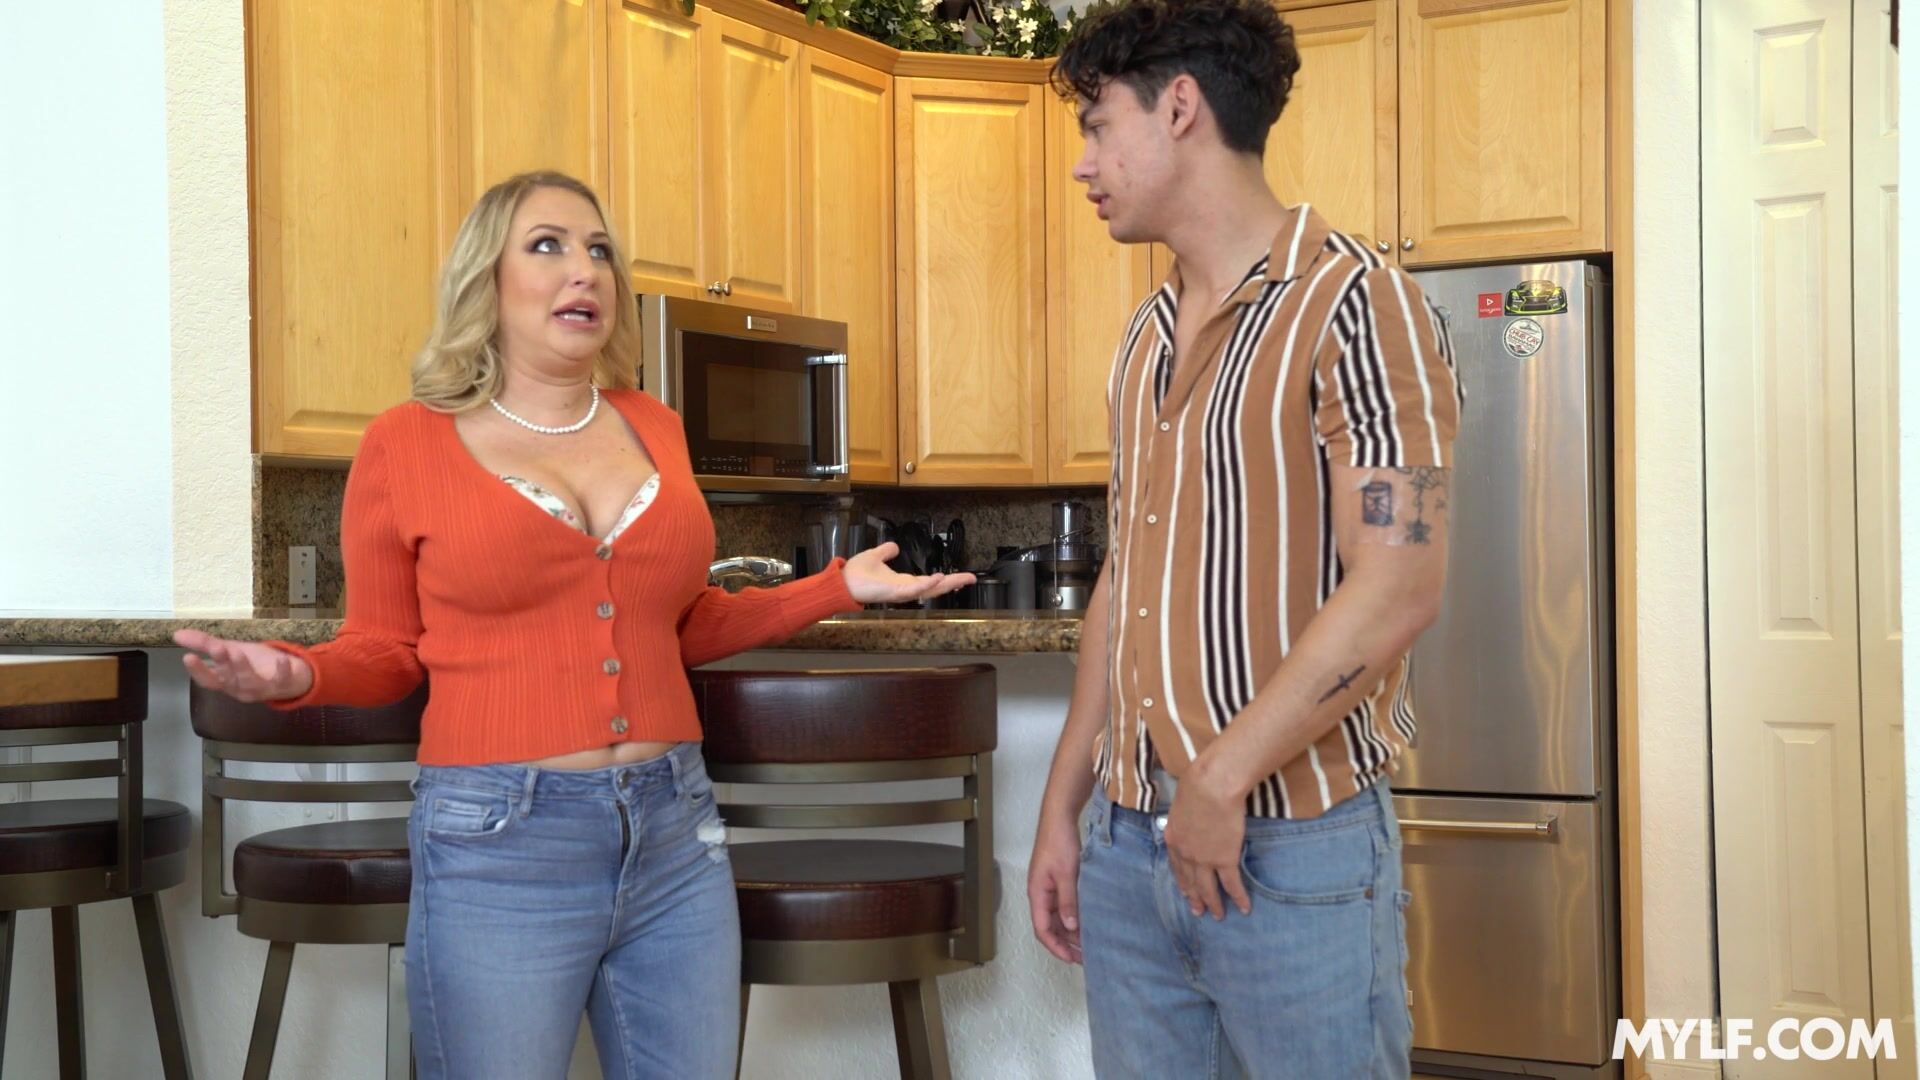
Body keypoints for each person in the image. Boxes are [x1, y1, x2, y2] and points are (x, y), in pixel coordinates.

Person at [174, 170, 972, 1079]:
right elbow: (389, 650)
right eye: (546, 246)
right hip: (497, 841)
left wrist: (835, 587)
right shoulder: (405, 443)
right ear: (487, 278)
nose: (583, 269)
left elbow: (677, 624)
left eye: (598, 250)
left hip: (675, 829)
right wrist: (300, 673)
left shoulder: (654, 425)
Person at [1027, 2, 1463, 1076]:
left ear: (1179, 107)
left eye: (1098, 126)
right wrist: (1063, 806)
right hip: (1128, 845)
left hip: (1292, 847)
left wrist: (1220, 783)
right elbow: (1126, 577)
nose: (1084, 163)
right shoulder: (1146, 335)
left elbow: (1400, 584)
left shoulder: (1359, 306)